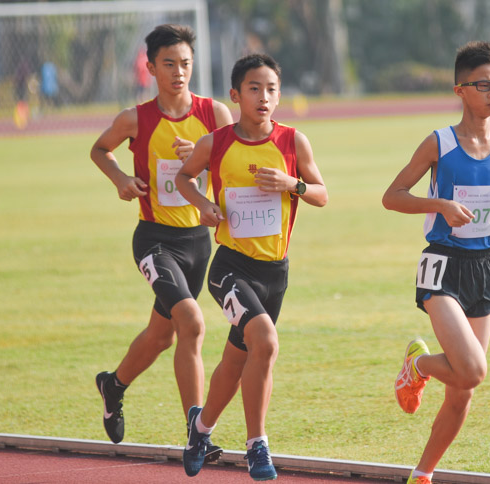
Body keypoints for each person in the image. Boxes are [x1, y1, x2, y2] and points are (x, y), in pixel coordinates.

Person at [382, 41, 490, 484]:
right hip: (442, 264)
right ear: (460, 89)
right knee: (474, 369)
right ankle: (416, 367)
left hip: (486, 266)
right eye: (484, 84)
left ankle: (422, 475)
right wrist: (438, 204)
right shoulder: (439, 143)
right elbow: (392, 197)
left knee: (463, 391)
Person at [175, 53, 328, 481]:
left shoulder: (294, 142)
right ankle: (256, 445)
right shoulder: (216, 143)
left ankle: (199, 432)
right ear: (236, 95)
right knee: (266, 342)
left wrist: (290, 184)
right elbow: (185, 178)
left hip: (274, 273)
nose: (263, 97)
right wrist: (203, 204)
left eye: (272, 89)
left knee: (237, 359)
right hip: (229, 268)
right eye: (254, 89)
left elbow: (321, 194)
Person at [90, 24, 233, 457]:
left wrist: (205, 156)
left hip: (197, 243)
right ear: (150, 67)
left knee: (161, 337)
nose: (178, 72)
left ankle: (112, 386)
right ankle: (198, 433)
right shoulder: (136, 118)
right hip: (154, 239)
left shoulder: (215, 115)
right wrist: (119, 179)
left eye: (186, 63)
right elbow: (100, 149)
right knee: (191, 323)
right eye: (168, 64)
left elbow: (235, 162)